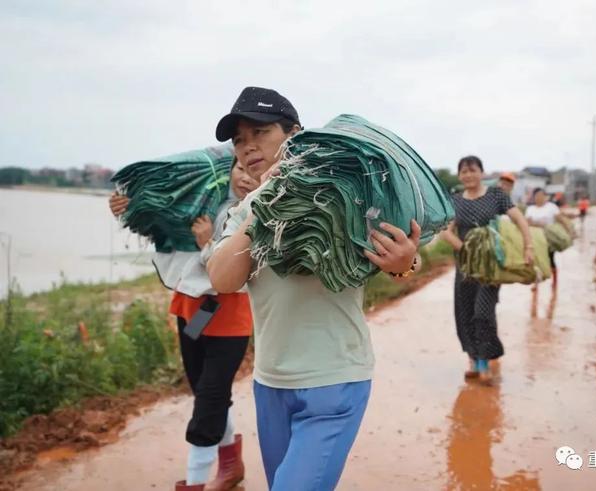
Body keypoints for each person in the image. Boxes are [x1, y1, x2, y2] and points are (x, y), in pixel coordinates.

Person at [206, 86, 421, 490]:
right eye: (239, 141)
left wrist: (405, 263)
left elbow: (405, 250)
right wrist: (267, 202)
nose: (248, 147)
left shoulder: (339, 192)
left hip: (335, 380)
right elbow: (222, 279)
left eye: (260, 133)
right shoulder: (244, 210)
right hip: (271, 383)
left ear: (295, 133)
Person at [109, 159, 258, 491]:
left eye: (254, 173)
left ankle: (194, 483)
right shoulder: (200, 200)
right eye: (240, 170)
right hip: (191, 313)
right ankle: (231, 464)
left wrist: (207, 243)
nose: (246, 178)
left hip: (230, 320)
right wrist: (125, 208)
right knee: (205, 393)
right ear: (228, 170)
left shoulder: (255, 214)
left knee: (208, 400)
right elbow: (158, 221)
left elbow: (240, 273)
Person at [440, 156, 533, 383]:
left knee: (483, 313)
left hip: (490, 267)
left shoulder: (496, 196)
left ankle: (484, 361)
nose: (468, 175)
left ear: (482, 172)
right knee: (464, 313)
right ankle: (473, 359)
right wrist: (465, 247)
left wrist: (527, 245)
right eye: (463, 171)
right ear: (459, 175)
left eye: (473, 170)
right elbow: (446, 231)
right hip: (465, 266)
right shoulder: (454, 201)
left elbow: (519, 219)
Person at [525, 188, 571, 288]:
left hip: (549, 239)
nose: (540, 197)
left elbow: (560, 219)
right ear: (534, 197)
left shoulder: (551, 207)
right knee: (535, 261)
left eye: (542, 195)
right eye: (537, 195)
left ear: (545, 197)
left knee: (550, 259)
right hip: (536, 239)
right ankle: (535, 283)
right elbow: (527, 222)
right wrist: (537, 224)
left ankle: (554, 282)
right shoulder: (530, 209)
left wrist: (568, 231)